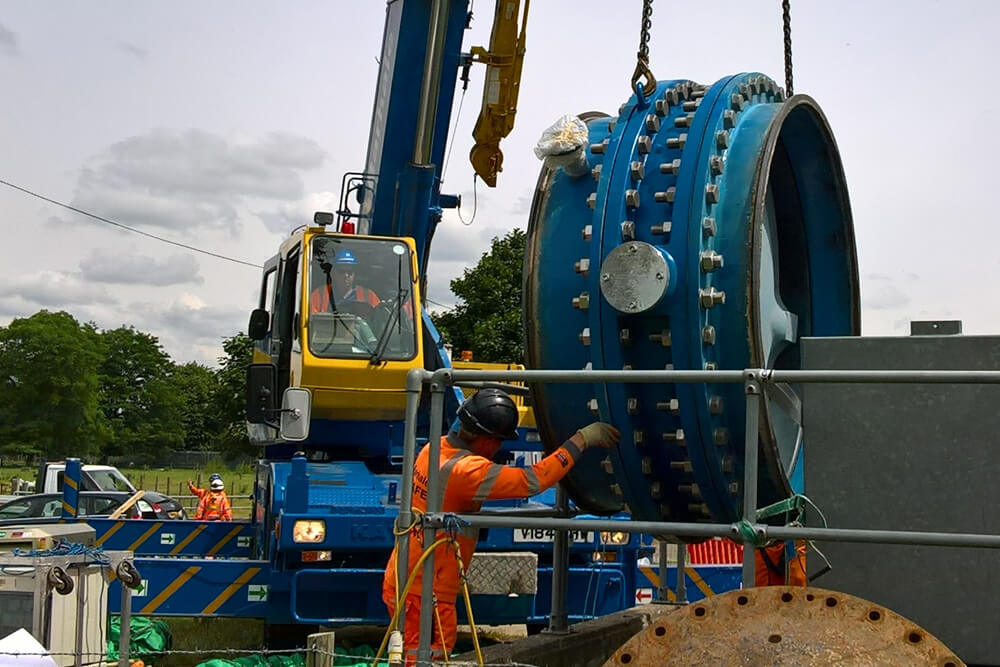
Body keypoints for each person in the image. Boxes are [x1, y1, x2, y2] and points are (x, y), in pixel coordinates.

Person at [382, 388, 620, 663]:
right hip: (427, 591)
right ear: (486, 439)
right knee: (426, 658)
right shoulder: (466, 471)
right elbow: (533, 481)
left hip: (405, 575)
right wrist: (581, 440)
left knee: (423, 654)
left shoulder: (434, 448)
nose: (498, 449)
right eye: (498, 442)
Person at [310, 249, 380, 313]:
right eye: (341, 271)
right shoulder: (320, 294)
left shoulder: (368, 296)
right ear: (334, 274)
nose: (346, 275)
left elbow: (379, 318)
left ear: (354, 274)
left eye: (349, 272)